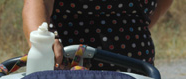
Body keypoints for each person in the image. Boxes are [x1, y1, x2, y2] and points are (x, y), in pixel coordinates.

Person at [22, 0, 173, 70]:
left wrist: (140, 27)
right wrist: (43, 42)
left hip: (134, 65)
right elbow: (36, 2)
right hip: (67, 62)